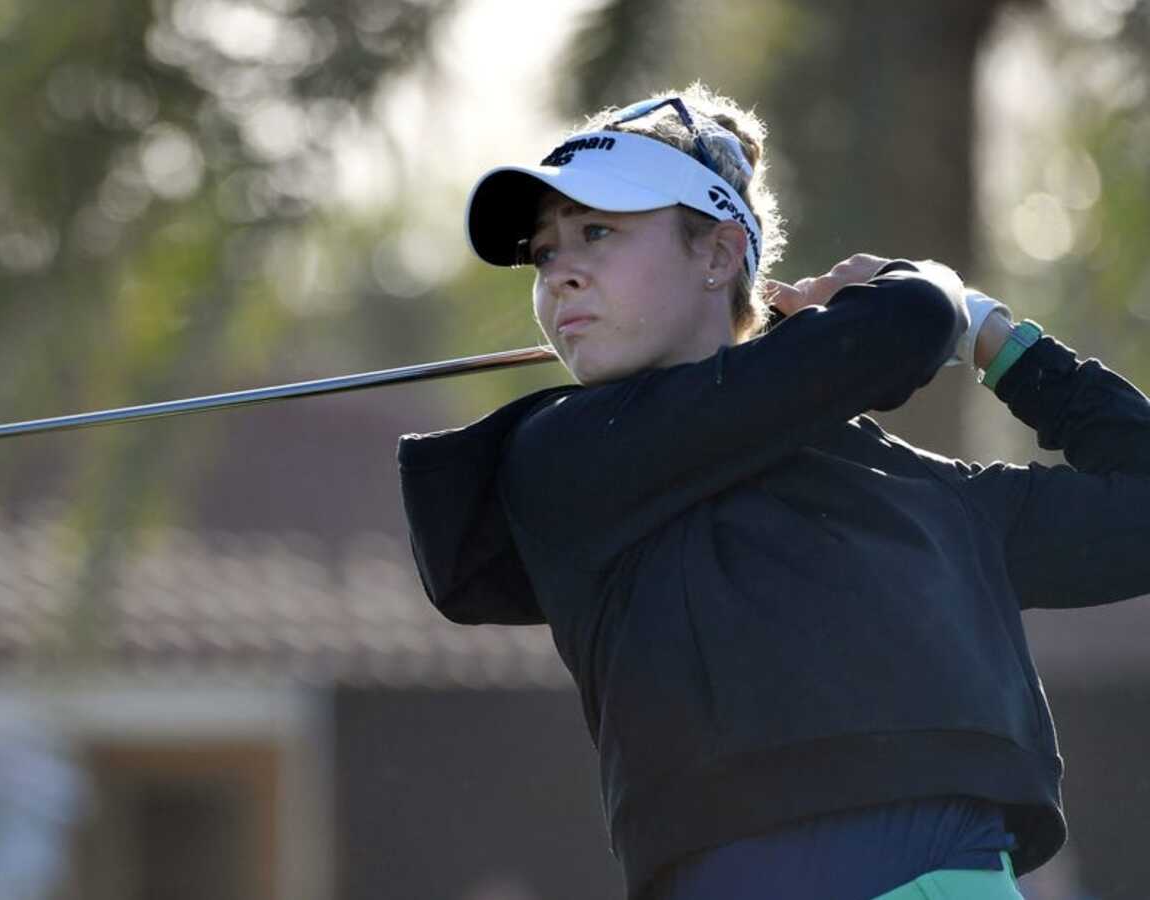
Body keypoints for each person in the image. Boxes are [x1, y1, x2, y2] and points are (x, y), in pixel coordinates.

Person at [397, 82, 1150, 899]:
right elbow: (901, 324)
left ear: (718, 255)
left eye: (597, 232)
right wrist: (933, 289)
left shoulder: (925, 494)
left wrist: (993, 339)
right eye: (546, 252)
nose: (560, 274)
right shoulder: (567, 453)